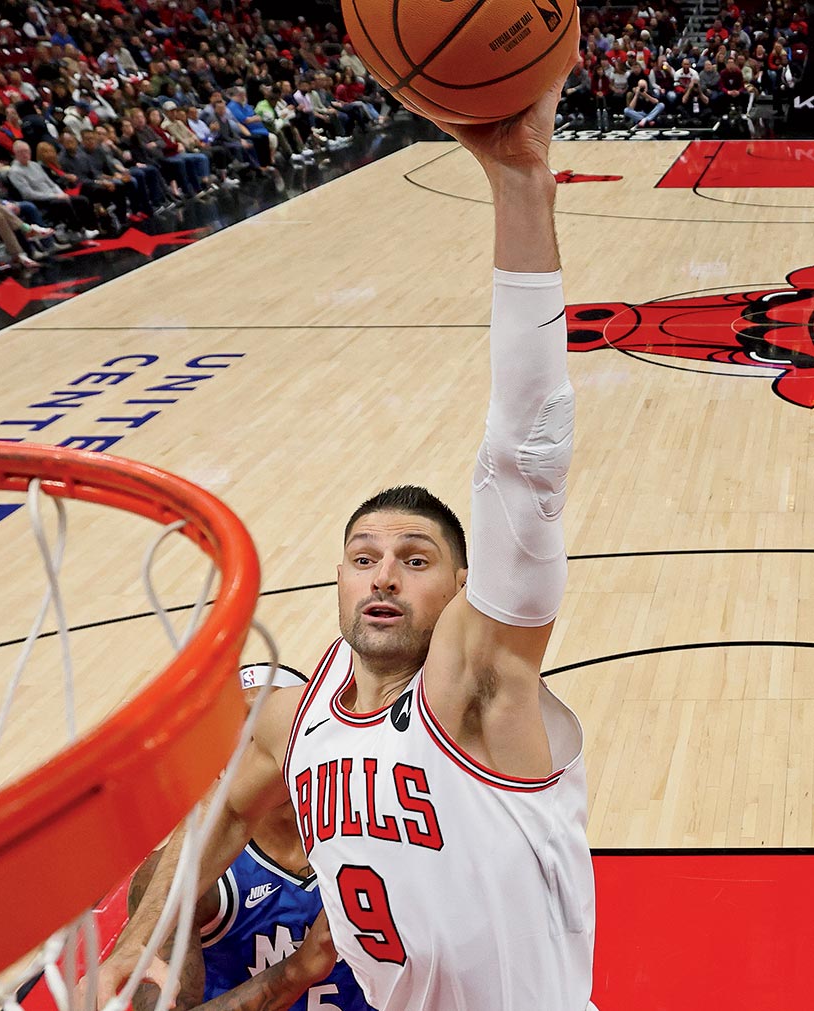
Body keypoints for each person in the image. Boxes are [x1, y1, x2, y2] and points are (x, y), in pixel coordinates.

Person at [93, 46, 595, 1011]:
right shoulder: (301, 715)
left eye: (416, 560)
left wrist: (521, 183)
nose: (384, 576)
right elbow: (212, 822)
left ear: (462, 590)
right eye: (364, 557)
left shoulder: (483, 689)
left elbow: (526, 459)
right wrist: (145, 936)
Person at [128, 663, 373, 1011]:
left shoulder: (382, 836)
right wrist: (296, 971)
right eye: (237, 731)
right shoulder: (176, 879)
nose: (256, 741)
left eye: (269, 726)